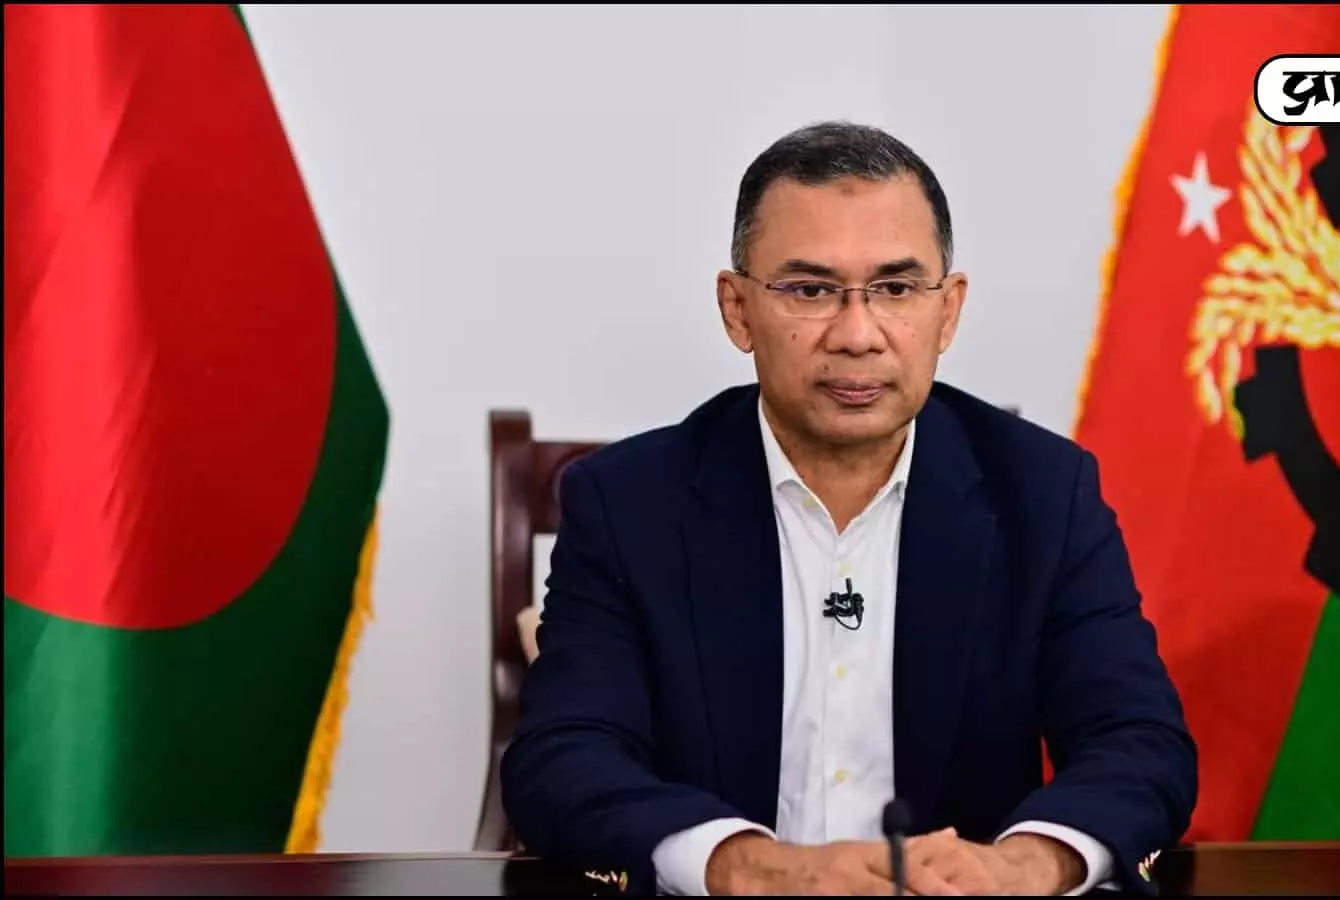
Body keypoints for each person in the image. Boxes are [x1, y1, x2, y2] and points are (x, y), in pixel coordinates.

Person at [500, 121, 1198, 896]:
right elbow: (565, 756)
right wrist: (749, 867)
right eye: (810, 290)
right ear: (737, 310)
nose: (858, 335)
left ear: (948, 311)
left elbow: (1138, 742)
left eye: (896, 289)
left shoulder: (1042, 493)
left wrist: (1022, 866)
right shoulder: (630, 503)